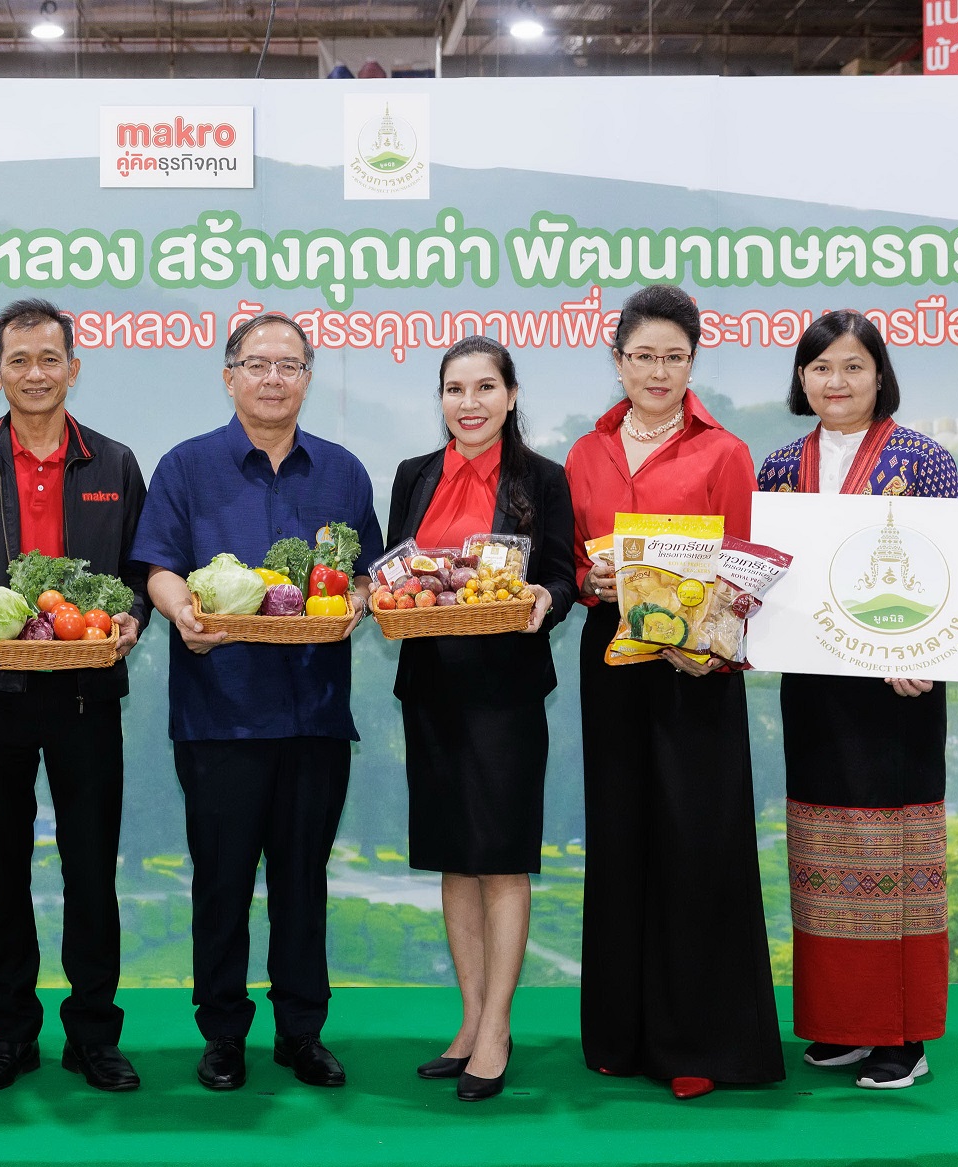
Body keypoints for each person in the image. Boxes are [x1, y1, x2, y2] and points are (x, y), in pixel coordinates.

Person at [130, 312, 384, 1092]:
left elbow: (371, 575)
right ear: (229, 374)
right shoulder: (187, 466)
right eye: (257, 363)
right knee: (223, 881)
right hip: (219, 713)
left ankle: (302, 1031)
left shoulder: (342, 472)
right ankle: (223, 1034)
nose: (273, 378)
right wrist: (180, 611)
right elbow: (159, 567)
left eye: (289, 365)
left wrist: (361, 604)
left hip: (314, 713)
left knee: (305, 881)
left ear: (308, 376)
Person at [0, 298, 150, 1094]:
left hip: (87, 694)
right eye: (18, 360)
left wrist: (132, 616)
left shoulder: (115, 463)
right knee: (0, 870)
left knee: (91, 870)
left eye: (49, 358)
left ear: (73, 368)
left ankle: (94, 1033)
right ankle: (9, 1032)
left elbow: (139, 575)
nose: (35, 373)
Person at [563, 284, 784, 1100]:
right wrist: (594, 576)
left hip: (696, 668)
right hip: (612, 658)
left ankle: (700, 1041)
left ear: (693, 361)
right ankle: (620, 1031)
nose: (657, 370)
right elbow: (580, 568)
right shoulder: (585, 452)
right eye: (643, 355)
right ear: (616, 359)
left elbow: (743, 569)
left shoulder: (724, 451)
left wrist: (711, 646)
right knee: (621, 835)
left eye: (674, 356)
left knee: (698, 841)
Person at [758, 310, 958, 1091]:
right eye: (819, 368)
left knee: (894, 857)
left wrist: (930, 654)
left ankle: (903, 1036)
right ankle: (843, 1023)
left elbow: (955, 568)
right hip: (813, 691)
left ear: (880, 374)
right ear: (801, 379)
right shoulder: (780, 464)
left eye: (851, 367)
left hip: (898, 691)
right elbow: (764, 575)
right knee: (820, 851)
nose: (835, 383)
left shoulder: (924, 459)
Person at [386, 337, 576, 1102]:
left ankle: (496, 1027)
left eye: (485, 386)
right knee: (452, 857)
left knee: (499, 856)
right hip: (429, 689)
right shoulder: (412, 475)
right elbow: (396, 565)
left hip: (505, 695)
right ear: (440, 398)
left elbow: (563, 574)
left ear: (511, 393)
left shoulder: (543, 478)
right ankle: (467, 1020)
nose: (469, 402)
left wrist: (545, 600)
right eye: (455, 388)